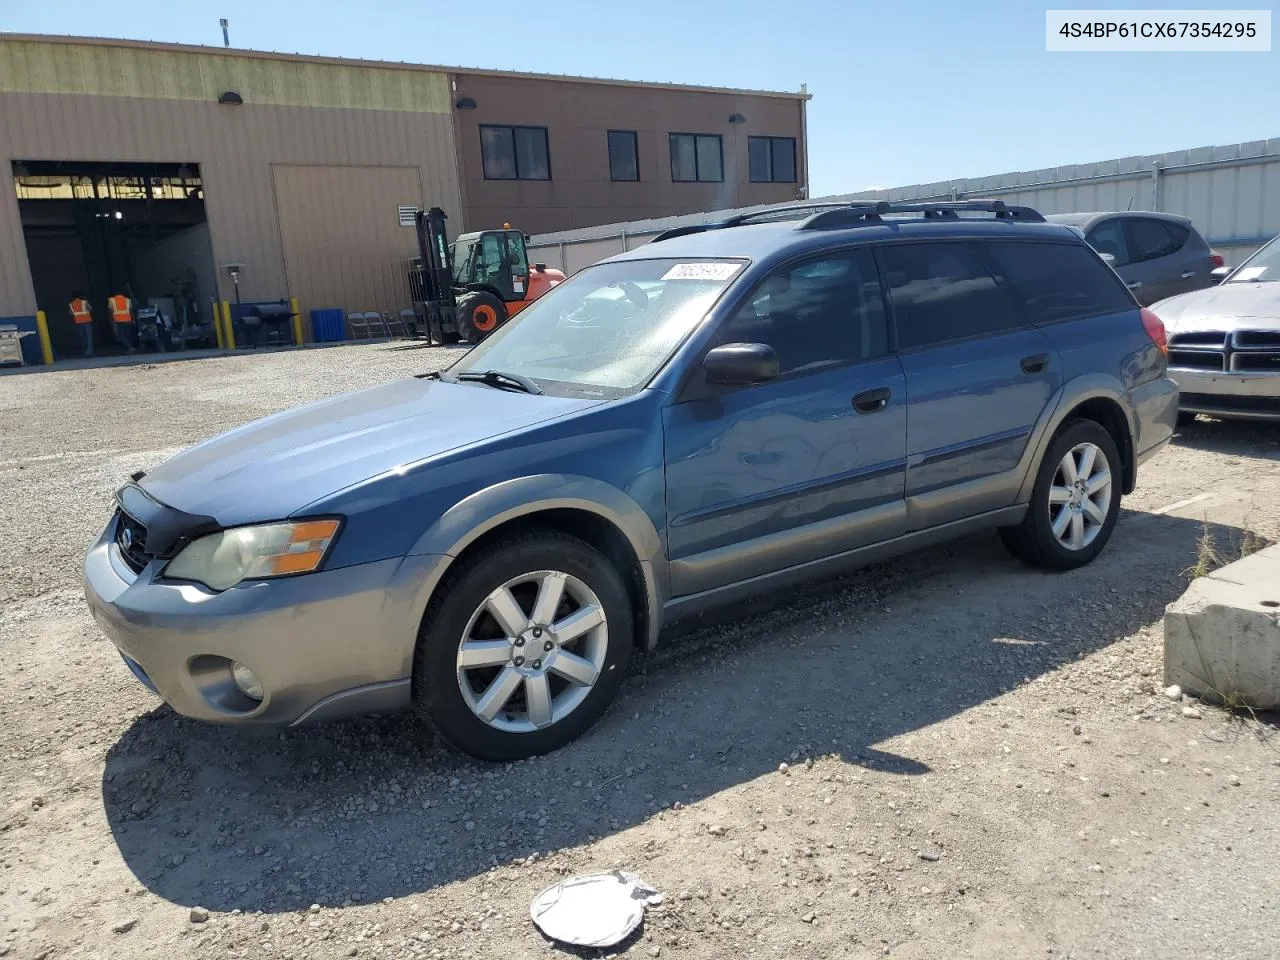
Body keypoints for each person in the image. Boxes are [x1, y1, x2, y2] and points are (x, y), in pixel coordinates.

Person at [68, 291, 94, 358]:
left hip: (78, 323)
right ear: (80, 296)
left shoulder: (71, 304)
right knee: (89, 338)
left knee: (82, 338)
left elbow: (71, 313)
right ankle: (89, 353)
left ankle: (84, 352)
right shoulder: (84, 302)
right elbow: (90, 308)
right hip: (87, 321)